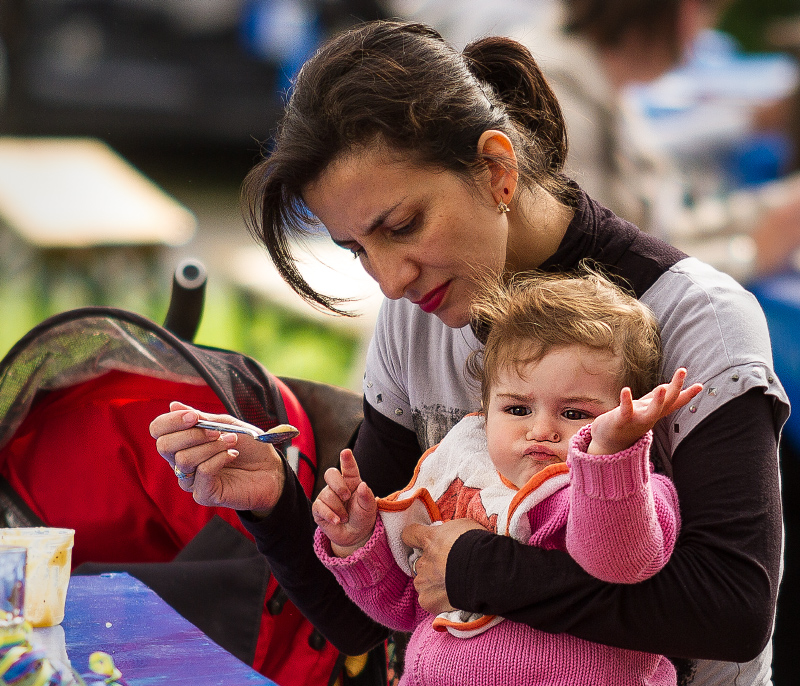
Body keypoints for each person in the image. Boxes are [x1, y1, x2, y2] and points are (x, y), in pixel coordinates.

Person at [149, 20, 789, 686]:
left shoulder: (699, 319)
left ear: (496, 168)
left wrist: (476, 570)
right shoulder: (415, 316)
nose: (391, 278)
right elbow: (370, 617)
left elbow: (731, 610)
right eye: (359, 250)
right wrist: (276, 503)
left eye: (402, 227)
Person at [311, 270, 703, 685]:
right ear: (484, 413)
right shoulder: (462, 484)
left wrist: (608, 454)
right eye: (518, 409)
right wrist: (354, 540)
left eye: (575, 414)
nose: (541, 430)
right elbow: (406, 605)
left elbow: (618, 561)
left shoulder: (633, 493)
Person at [391, 0, 800, 284]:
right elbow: (592, 274)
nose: (704, 29)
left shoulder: (594, 84)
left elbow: (654, 230)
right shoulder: (554, 100)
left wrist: (773, 211)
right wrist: (748, 256)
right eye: (703, 9)